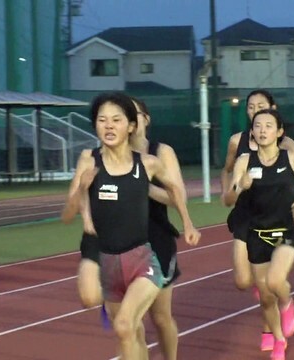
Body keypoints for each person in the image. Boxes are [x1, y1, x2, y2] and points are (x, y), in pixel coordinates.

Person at [61, 92, 200, 359]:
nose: (110, 125)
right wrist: (81, 189)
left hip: (146, 246)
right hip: (106, 251)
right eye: (103, 120)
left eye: (118, 119)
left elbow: (175, 191)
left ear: (136, 123)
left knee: (151, 320)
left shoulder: (153, 158)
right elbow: (67, 214)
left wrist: (187, 223)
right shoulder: (89, 160)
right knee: (127, 330)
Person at [224, 109, 294, 359]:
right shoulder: (244, 161)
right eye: (258, 126)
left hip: (284, 231)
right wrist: (239, 187)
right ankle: (278, 340)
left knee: (275, 282)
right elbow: (228, 199)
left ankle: (287, 305)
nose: (263, 130)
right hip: (256, 234)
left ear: (279, 132)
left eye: (268, 126)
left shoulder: (293, 159)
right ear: (252, 132)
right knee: (265, 297)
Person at [130, 96, 184, 360]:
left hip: (156, 239)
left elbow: (178, 197)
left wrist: (144, 186)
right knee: (129, 320)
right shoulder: (109, 154)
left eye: (134, 113)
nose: (129, 119)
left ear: (146, 118)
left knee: (160, 317)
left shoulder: (161, 152)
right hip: (121, 242)